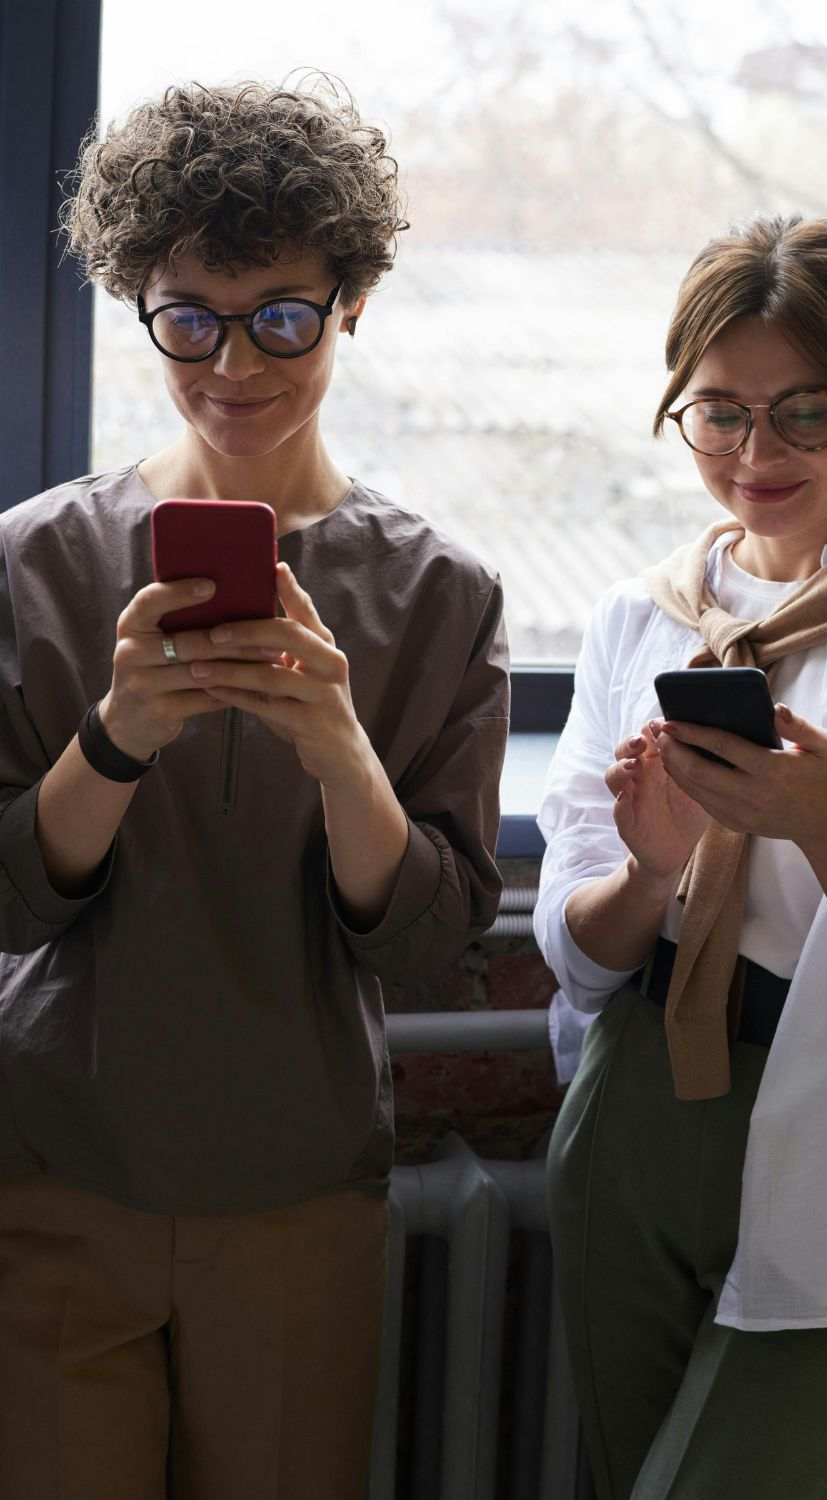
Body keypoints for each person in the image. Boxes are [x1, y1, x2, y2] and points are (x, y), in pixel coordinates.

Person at [0, 78, 509, 1500]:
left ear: (353, 304)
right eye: (190, 319)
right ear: (140, 307)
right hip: (55, 1166)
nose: (233, 362)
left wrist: (341, 748)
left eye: (282, 316)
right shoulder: (34, 562)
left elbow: (429, 941)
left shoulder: (441, 593)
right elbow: (8, 906)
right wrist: (117, 736)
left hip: (298, 1189)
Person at [534, 214, 827, 1500]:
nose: (758, 454)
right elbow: (576, 961)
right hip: (637, 1095)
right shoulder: (639, 616)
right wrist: (649, 869)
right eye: (719, 414)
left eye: (805, 410)